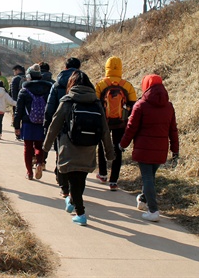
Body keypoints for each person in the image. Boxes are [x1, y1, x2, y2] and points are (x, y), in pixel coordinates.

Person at [43, 70, 114, 226]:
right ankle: (72, 202)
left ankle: (80, 214)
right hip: (89, 147)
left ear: (71, 84)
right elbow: (104, 129)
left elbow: (54, 126)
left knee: (72, 179)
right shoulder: (96, 103)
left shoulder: (68, 101)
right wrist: (110, 153)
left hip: (69, 146)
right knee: (80, 179)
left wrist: (45, 148)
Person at [119, 74, 179, 222]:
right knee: (150, 177)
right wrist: (175, 150)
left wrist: (122, 144)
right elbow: (173, 130)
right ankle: (144, 199)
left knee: (147, 178)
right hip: (161, 149)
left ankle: (153, 210)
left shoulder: (141, 105)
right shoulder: (169, 106)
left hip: (143, 148)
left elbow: (131, 128)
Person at [94, 56, 137, 191]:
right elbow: (133, 104)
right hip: (120, 123)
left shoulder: (101, 84)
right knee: (118, 148)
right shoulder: (126, 85)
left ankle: (102, 174)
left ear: (107, 67)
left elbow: (94, 103)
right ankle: (114, 181)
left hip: (104, 122)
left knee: (102, 146)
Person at [44, 57, 81, 197]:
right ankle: (73, 184)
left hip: (61, 124)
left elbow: (50, 107)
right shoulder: (84, 83)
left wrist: (48, 124)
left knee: (60, 152)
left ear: (65, 68)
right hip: (79, 124)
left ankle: (63, 184)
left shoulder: (57, 84)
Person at [13, 64, 52, 180]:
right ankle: (39, 163)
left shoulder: (24, 90)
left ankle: (29, 172)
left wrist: (16, 126)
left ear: (29, 76)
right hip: (42, 123)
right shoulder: (48, 88)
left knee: (28, 147)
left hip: (28, 123)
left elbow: (18, 110)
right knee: (39, 146)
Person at [10, 65, 26, 140]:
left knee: (17, 118)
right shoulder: (27, 78)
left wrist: (14, 102)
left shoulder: (15, 79)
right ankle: (24, 133)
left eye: (14, 71)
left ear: (17, 70)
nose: (14, 72)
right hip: (27, 101)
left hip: (17, 101)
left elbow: (13, 92)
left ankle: (18, 134)